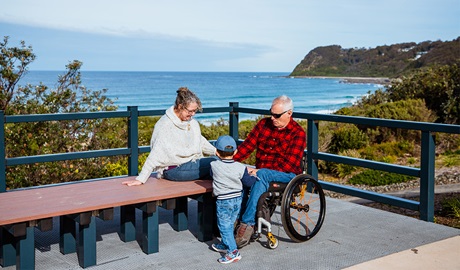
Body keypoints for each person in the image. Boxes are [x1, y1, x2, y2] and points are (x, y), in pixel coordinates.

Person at [233, 95, 306, 248]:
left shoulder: (298, 133)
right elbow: (247, 146)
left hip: (287, 174)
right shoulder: (263, 124)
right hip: (262, 172)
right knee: (239, 172)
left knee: (261, 175)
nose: (272, 118)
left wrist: (259, 170)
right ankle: (235, 219)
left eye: (277, 115)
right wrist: (230, 161)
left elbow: (288, 165)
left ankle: (247, 224)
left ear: (289, 113)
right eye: (271, 113)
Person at [122, 87, 216, 186]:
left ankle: (218, 200)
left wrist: (216, 151)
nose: (192, 114)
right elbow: (156, 153)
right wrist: (141, 178)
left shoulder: (192, 122)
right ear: (180, 106)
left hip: (193, 164)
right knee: (215, 163)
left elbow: (200, 142)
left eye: (195, 111)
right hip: (174, 170)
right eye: (190, 111)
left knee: (220, 167)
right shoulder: (165, 125)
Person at [209, 135, 257, 264]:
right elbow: (247, 182)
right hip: (237, 199)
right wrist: (253, 176)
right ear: (235, 152)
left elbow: (212, 175)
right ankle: (225, 244)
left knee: (224, 226)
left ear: (217, 152)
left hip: (224, 200)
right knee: (229, 224)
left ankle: (233, 252)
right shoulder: (241, 167)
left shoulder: (214, 165)